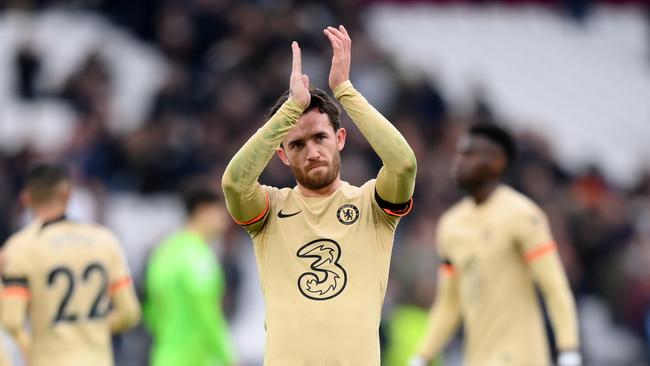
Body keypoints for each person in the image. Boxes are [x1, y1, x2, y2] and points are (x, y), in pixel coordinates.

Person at [221, 25, 416, 365]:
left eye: (320, 138)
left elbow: (403, 165)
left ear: (340, 138)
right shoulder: (269, 211)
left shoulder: (372, 206)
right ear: (282, 155)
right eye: (297, 144)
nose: (311, 151)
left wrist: (345, 91)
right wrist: (290, 111)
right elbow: (235, 184)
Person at [410, 124, 581, 366]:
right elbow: (449, 303)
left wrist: (568, 349)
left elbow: (554, 287)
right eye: (459, 153)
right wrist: (422, 355)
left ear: (497, 162)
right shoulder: (451, 224)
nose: (458, 161)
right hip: (477, 357)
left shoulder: (522, 215)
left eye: (469, 154)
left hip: (521, 357)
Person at [0, 162, 140, 366]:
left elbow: (12, 321)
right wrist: (92, 328)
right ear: (67, 194)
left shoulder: (20, 248)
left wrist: (33, 346)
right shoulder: (105, 240)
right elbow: (130, 313)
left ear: (26, 198)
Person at [144, 181, 236, 366]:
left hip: (164, 356)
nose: (226, 220)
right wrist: (229, 357)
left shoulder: (163, 251)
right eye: (221, 211)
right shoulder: (199, 257)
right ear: (203, 210)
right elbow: (207, 313)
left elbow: (150, 307)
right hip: (195, 359)